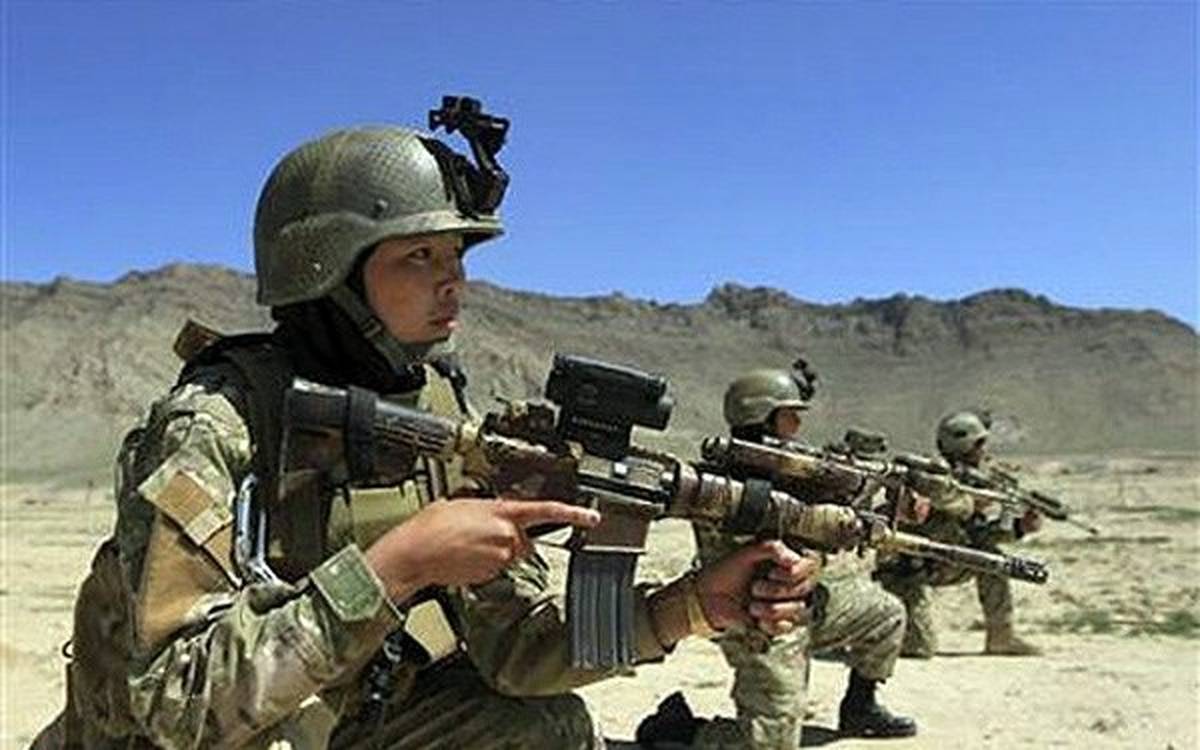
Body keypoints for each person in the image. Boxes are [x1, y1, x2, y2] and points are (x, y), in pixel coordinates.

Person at [32, 100, 830, 749]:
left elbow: (515, 652)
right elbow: (177, 707)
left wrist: (693, 606)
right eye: (419, 257)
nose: (454, 285)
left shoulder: (440, 415)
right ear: (330, 270)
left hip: (327, 721)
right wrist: (394, 568)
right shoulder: (220, 422)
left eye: (458, 259)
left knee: (544, 729)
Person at [640, 368, 917, 748]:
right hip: (755, 616)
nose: (799, 423)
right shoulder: (727, 483)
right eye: (790, 415)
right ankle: (681, 730)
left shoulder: (795, 470)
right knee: (769, 744)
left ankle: (860, 706)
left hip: (806, 603)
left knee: (886, 614)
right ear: (764, 417)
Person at [875, 410, 1043, 658]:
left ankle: (1001, 637)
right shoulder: (931, 475)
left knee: (994, 561)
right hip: (905, 570)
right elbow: (954, 504)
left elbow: (978, 535)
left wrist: (1019, 527)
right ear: (963, 444)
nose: (984, 450)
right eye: (979, 444)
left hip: (943, 561)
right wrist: (980, 500)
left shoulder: (971, 480)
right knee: (918, 649)